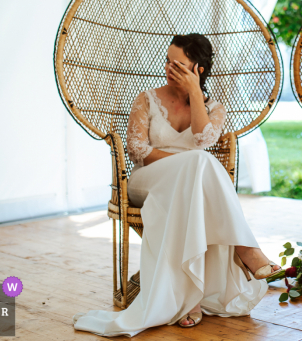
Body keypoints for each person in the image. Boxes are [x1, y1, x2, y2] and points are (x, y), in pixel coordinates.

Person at [72, 33, 281, 337]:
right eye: (168, 61)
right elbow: (138, 150)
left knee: (198, 167)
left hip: (190, 190)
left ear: (199, 69)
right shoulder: (147, 98)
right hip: (147, 181)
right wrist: (181, 163)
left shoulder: (215, 108)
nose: (169, 68)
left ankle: (189, 300)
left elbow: (204, 140)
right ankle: (246, 250)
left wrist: (195, 94)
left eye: (179, 65)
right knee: (198, 162)